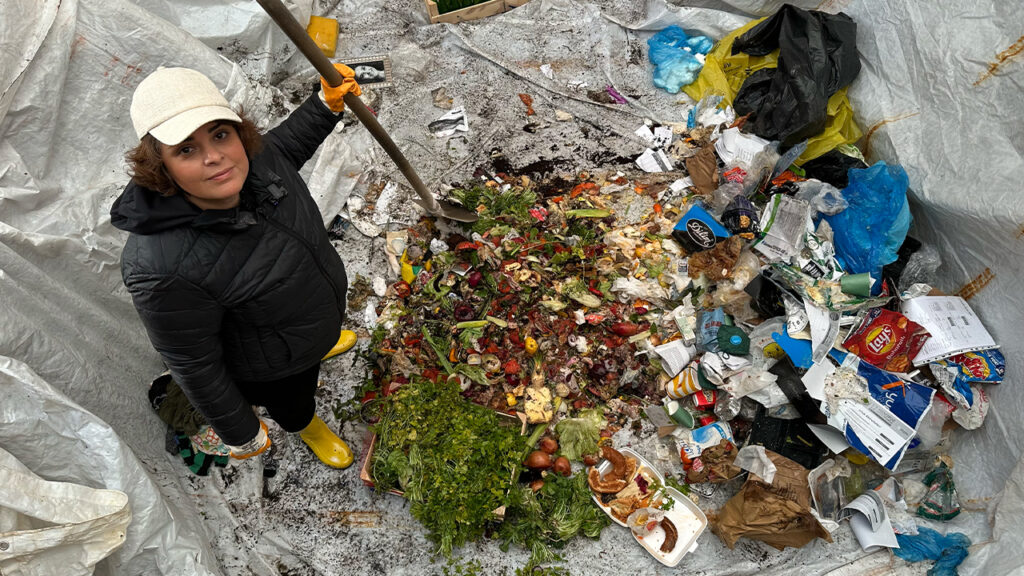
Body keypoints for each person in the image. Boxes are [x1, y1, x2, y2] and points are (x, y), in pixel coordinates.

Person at [111, 65, 362, 469]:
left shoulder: (252, 162)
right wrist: (240, 430)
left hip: (310, 316)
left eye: (220, 133)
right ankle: (306, 425)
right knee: (295, 400)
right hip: (275, 364)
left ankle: (320, 341)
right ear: (161, 167)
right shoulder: (158, 266)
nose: (215, 157)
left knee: (316, 338)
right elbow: (194, 363)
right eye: (186, 149)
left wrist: (323, 105)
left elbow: (284, 146)